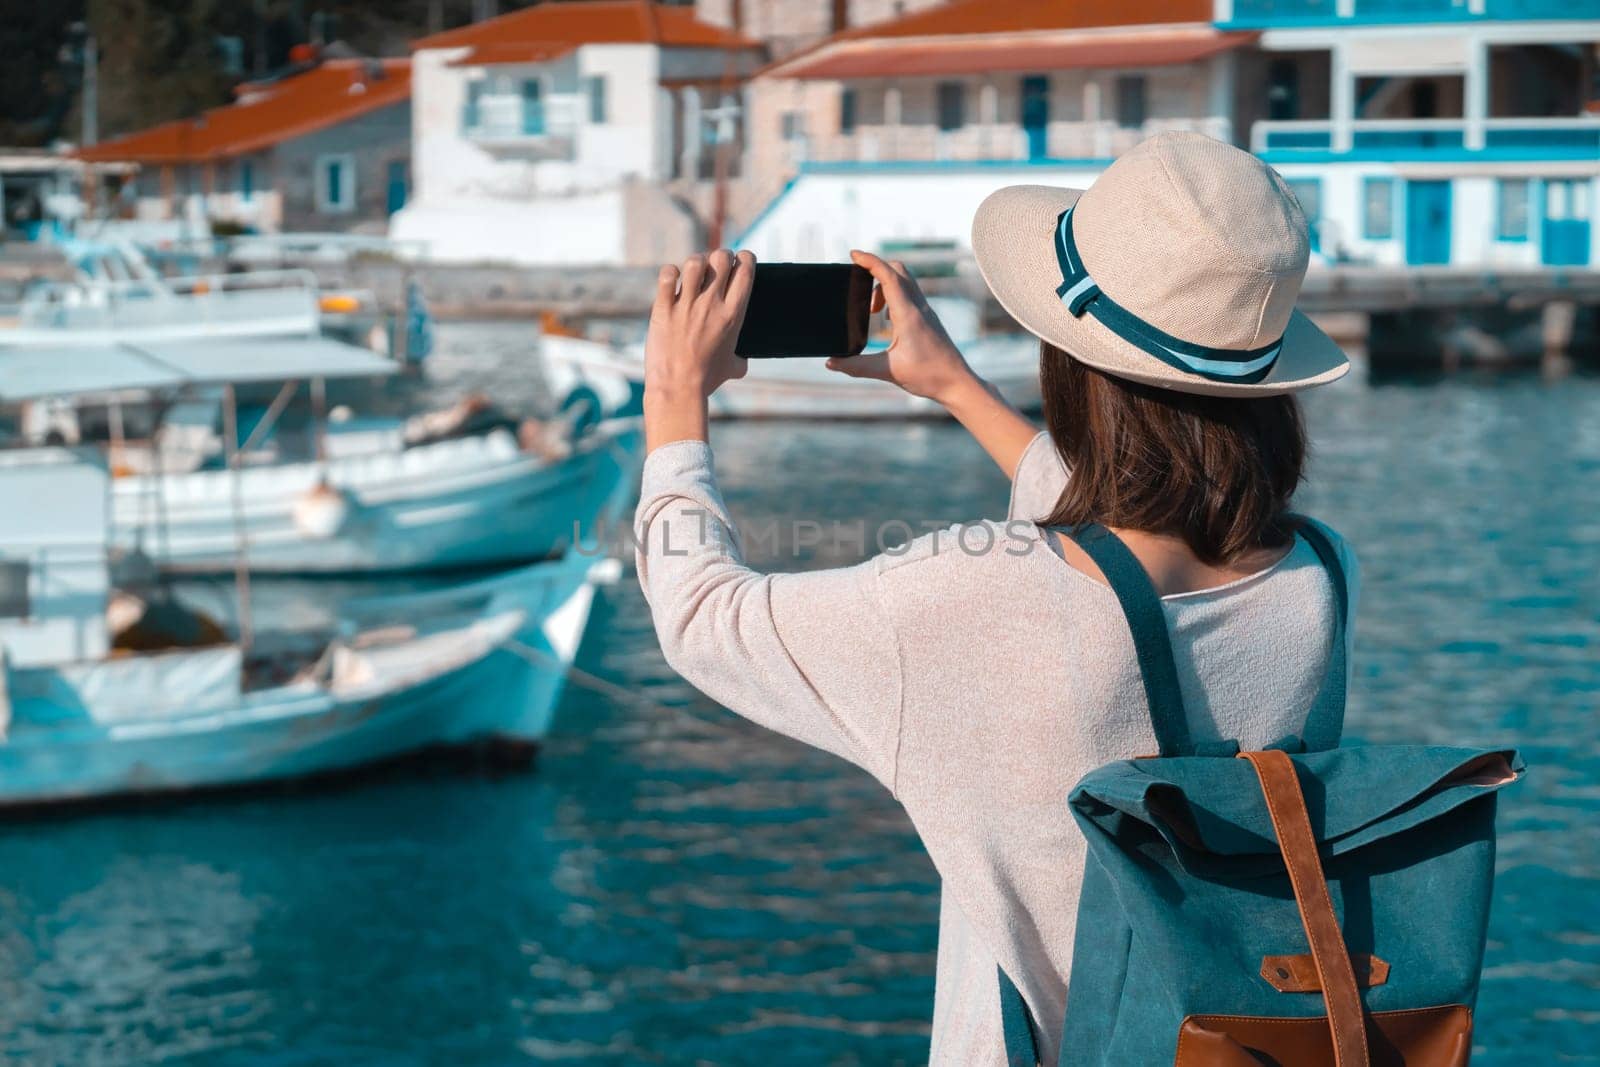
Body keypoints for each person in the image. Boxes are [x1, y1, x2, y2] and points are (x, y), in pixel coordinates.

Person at [633, 132, 1357, 1065]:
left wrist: (672, 397)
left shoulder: (967, 596)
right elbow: (1133, 539)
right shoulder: (1320, 576)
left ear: (1069, 356)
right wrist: (958, 391)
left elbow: (701, 618)